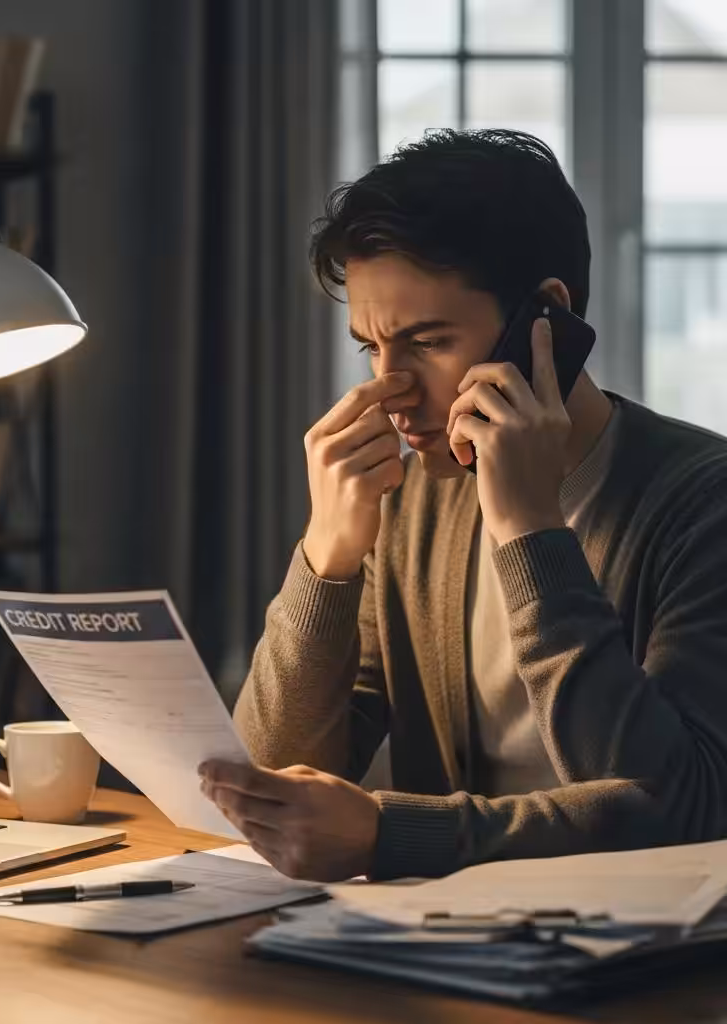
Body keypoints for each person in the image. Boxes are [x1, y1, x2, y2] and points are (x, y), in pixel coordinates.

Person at [198, 129, 727, 883]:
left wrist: (530, 532)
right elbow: (270, 787)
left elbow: (685, 813)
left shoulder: (705, 503)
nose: (391, 391)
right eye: (371, 348)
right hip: (437, 933)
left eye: (428, 342)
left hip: (647, 940)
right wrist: (326, 560)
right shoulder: (413, 500)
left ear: (546, 319)